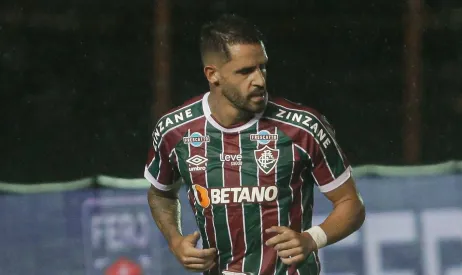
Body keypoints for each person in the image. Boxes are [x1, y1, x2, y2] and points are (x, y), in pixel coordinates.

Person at [145, 13, 365, 275]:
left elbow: (351, 203)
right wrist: (175, 240)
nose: (260, 80)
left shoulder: (303, 128)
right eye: (245, 71)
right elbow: (160, 193)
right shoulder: (175, 130)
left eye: (262, 67)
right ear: (213, 75)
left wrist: (311, 238)